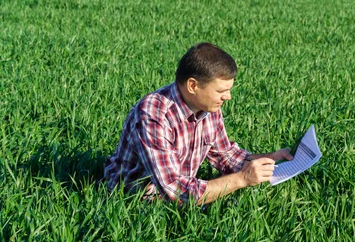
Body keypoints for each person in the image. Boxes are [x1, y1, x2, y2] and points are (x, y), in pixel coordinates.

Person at [103, 43, 293, 204]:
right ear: (193, 86)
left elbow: (225, 155)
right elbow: (173, 189)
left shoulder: (209, 107)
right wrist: (242, 179)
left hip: (180, 194)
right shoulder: (153, 114)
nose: (228, 97)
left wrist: (272, 158)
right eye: (221, 91)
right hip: (134, 200)